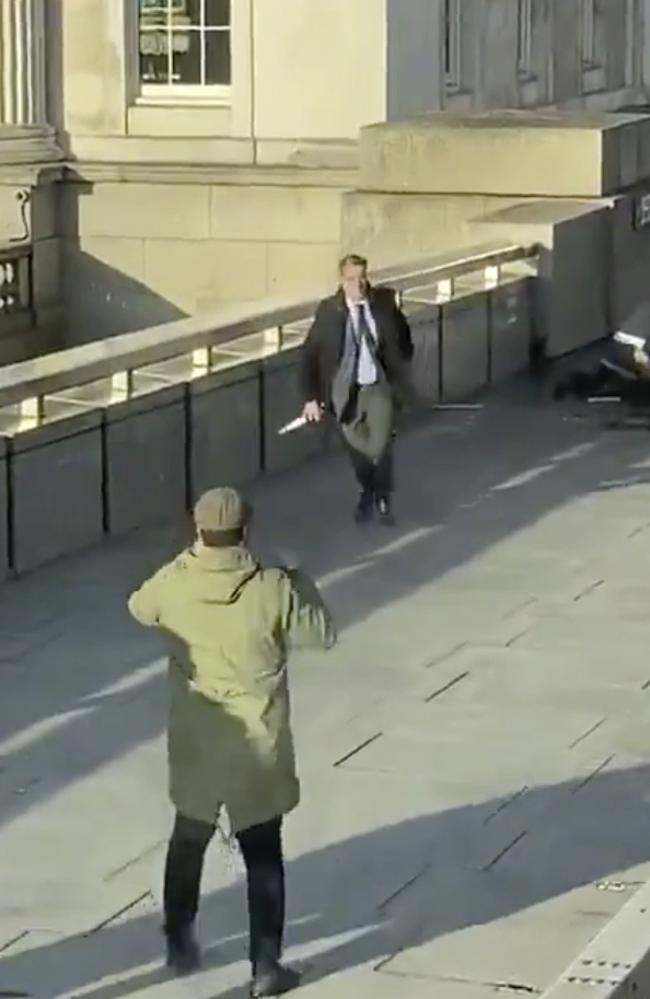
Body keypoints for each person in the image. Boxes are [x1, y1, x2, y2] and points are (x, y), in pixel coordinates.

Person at [128, 487, 336, 997]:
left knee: (188, 838)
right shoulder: (272, 586)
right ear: (246, 531)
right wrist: (299, 578)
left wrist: (189, 561)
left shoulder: (176, 582)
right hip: (257, 740)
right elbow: (322, 633)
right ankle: (265, 965)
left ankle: (179, 940)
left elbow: (138, 606)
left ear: (198, 531)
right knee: (263, 852)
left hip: (198, 737)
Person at [299, 253, 414, 526]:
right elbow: (309, 356)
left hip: (378, 387)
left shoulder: (382, 304)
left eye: (363, 278)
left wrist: (398, 371)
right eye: (352, 279)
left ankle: (383, 497)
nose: (359, 285)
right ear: (342, 281)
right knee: (357, 450)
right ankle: (368, 489)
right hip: (345, 392)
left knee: (380, 445)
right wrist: (311, 398)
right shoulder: (330, 311)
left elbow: (404, 339)